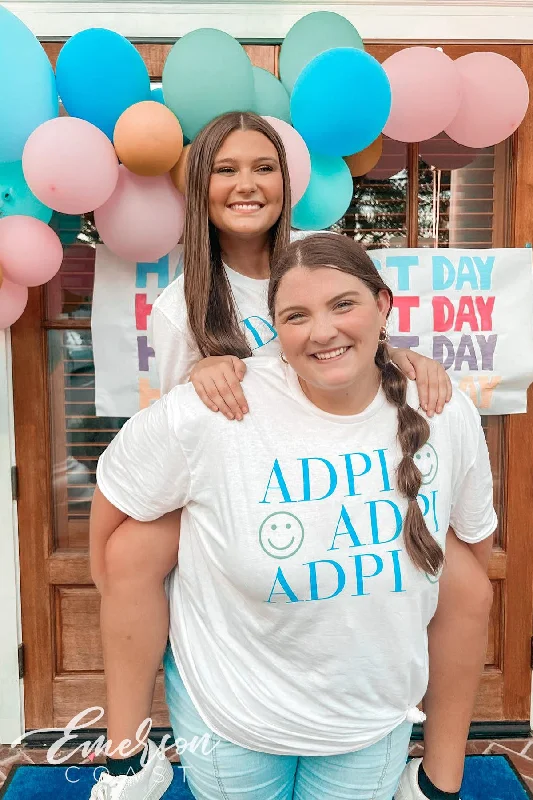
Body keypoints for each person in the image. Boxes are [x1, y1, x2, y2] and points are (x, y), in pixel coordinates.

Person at [89, 112, 493, 800]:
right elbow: (167, 432)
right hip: (235, 487)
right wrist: (200, 377)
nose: (246, 185)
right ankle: (128, 756)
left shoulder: (312, 251)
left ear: (286, 181)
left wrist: (405, 357)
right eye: (225, 169)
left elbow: (351, 335)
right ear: (200, 190)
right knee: (128, 555)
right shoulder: (180, 301)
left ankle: (433, 766)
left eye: (263, 167)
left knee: (459, 580)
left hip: (333, 473)